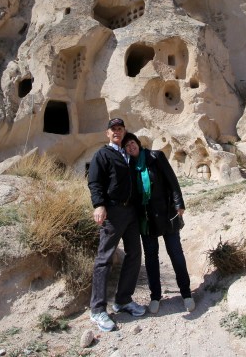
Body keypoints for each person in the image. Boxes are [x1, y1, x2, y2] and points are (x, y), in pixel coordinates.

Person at [122, 133, 195, 314]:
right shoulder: (129, 167)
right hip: (146, 220)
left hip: (166, 214)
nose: (131, 147)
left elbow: (172, 181)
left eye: (132, 143)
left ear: (138, 143)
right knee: (151, 258)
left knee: (175, 253)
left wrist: (179, 204)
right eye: (127, 146)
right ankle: (155, 296)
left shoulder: (156, 156)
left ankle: (186, 293)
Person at [87, 118, 146, 332]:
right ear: (107, 133)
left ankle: (123, 300)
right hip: (112, 211)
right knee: (104, 258)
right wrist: (99, 205)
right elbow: (94, 182)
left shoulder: (128, 154)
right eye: (113, 129)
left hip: (131, 212)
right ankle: (97, 309)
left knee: (134, 254)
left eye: (120, 129)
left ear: (124, 131)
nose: (117, 132)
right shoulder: (102, 154)